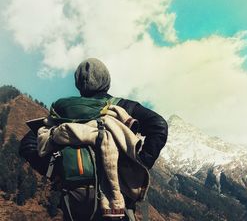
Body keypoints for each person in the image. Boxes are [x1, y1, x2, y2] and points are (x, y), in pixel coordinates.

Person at [19, 58, 168, 221]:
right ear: (107, 81)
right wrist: (141, 161)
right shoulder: (121, 107)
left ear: (78, 83)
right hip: (117, 200)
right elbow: (159, 125)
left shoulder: (63, 112)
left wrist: (55, 171)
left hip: (74, 200)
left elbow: (27, 145)